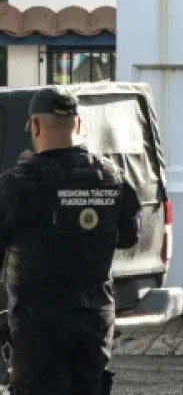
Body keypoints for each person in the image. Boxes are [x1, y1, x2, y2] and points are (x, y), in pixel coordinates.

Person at [0, 86, 141, 395]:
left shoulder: (19, 183)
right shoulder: (113, 177)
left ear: (34, 126)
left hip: (39, 325)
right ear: (78, 125)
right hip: (94, 319)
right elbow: (130, 237)